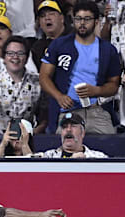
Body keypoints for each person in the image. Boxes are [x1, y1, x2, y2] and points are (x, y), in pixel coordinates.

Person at [39, 1, 120, 135]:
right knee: (64, 151)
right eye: (78, 19)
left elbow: (114, 85)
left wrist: (97, 90)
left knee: (110, 149)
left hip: (97, 110)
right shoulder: (59, 44)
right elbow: (43, 77)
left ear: (96, 21)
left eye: (87, 19)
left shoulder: (108, 50)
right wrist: (59, 97)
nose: (82, 23)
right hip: (67, 111)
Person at [0, 36, 43, 135]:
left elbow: (44, 114)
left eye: (20, 53)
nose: (15, 57)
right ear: (4, 57)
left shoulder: (37, 81)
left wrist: (34, 132)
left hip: (23, 137)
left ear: (27, 57)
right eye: (10, 53)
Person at [38, 112, 108, 158]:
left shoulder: (99, 157)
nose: (68, 129)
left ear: (82, 133)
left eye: (73, 126)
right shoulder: (49, 156)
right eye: (64, 127)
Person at [30, 1, 71, 71]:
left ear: (62, 18)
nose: (47, 18)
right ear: (39, 23)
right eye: (43, 16)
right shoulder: (37, 48)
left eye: (51, 14)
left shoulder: (76, 38)